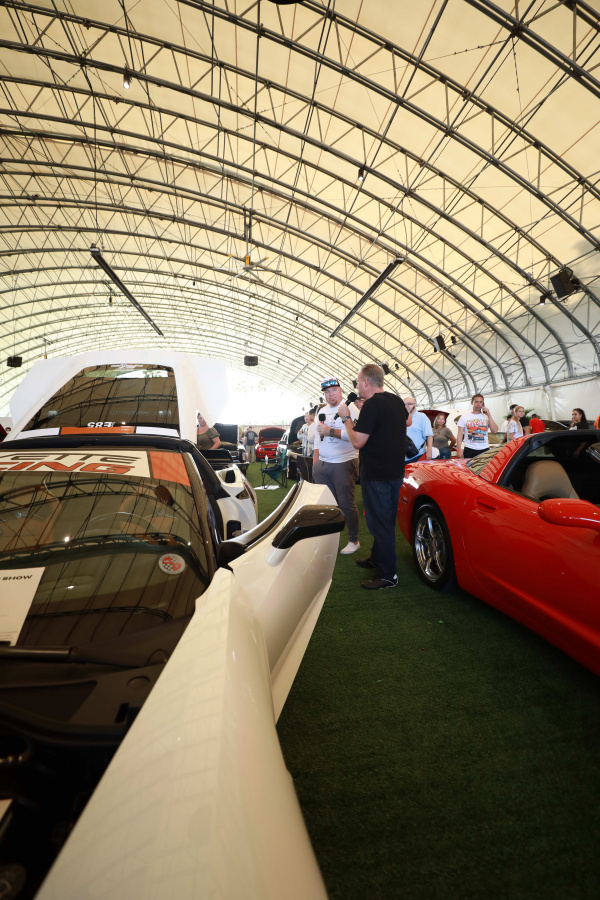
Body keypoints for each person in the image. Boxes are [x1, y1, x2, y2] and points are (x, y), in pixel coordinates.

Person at [337, 363, 408, 590]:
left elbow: (357, 441)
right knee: (385, 521)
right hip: (394, 472)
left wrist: (346, 418)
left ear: (366, 382)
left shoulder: (372, 404)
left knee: (380, 525)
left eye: (358, 381)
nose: (357, 385)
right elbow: (407, 421)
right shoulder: (396, 400)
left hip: (377, 474)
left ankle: (388, 576)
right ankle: (377, 559)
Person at [314, 378, 361, 555]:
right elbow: (318, 436)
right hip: (323, 464)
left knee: (346, 503)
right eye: (327, 392)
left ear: (341, 391)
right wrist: (316, 461)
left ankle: (354, 540)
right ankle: (330, 537)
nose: (330, 394)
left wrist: (330, 431)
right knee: (327, 504)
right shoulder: (322, 411)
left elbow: (356, 436)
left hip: (343, 462)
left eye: (334, 390)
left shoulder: (351, 409)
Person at [456, 394, 498, 458]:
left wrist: (489, 415)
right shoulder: (464, 417)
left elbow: (494, 431)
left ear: (483, 403)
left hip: (484, 449)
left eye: (480, 402)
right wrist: (458, 450)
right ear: (472, 402)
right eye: (476, 402)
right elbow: (459, 434)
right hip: (469, 449)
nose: (478, 404)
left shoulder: (487, 416)